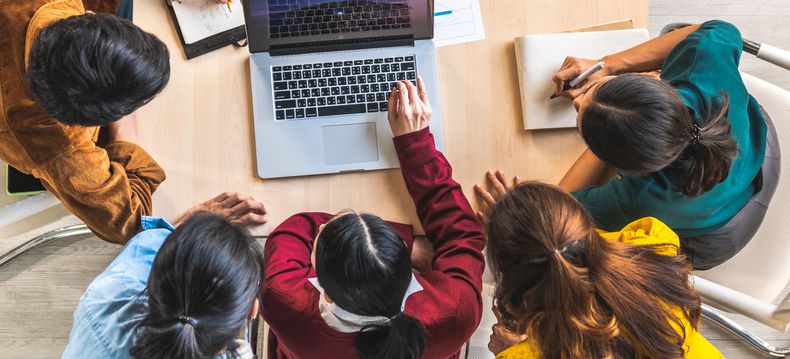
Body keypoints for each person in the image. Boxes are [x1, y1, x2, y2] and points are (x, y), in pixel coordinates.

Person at [0, 0, 241, 244]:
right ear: (100, 119)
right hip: (26, 119)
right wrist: (124, 120)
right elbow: (130, 220)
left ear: (88, 17)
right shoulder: (62, 152)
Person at [261, 79, 485, 359]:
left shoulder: (284, 301)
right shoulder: (455, 312)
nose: (320, 226)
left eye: (321, 236)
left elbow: (297, 228)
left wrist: (408, 242)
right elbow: (463, 235)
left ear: (325, 292)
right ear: (409, 272)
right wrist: (415, 145)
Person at [545, 20, 777, 269]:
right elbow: (722, 29)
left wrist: (606, 142)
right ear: (654, 86)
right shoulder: (701, 67)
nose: (578, 101)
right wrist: (608, 65)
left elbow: (561, 209)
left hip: (715, 239)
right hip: (761, 155)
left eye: (580, 111)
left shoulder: (639, 200)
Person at [475, 176, 722, 359]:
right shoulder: (654, 244)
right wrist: (534, 225)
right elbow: (573, 250)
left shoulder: (525, 353)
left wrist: (505, 351)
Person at [62, 192, 268, 359]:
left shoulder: (107, 299)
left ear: (151, 281)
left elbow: (150, 242)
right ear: (253, 311)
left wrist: (195, 226)